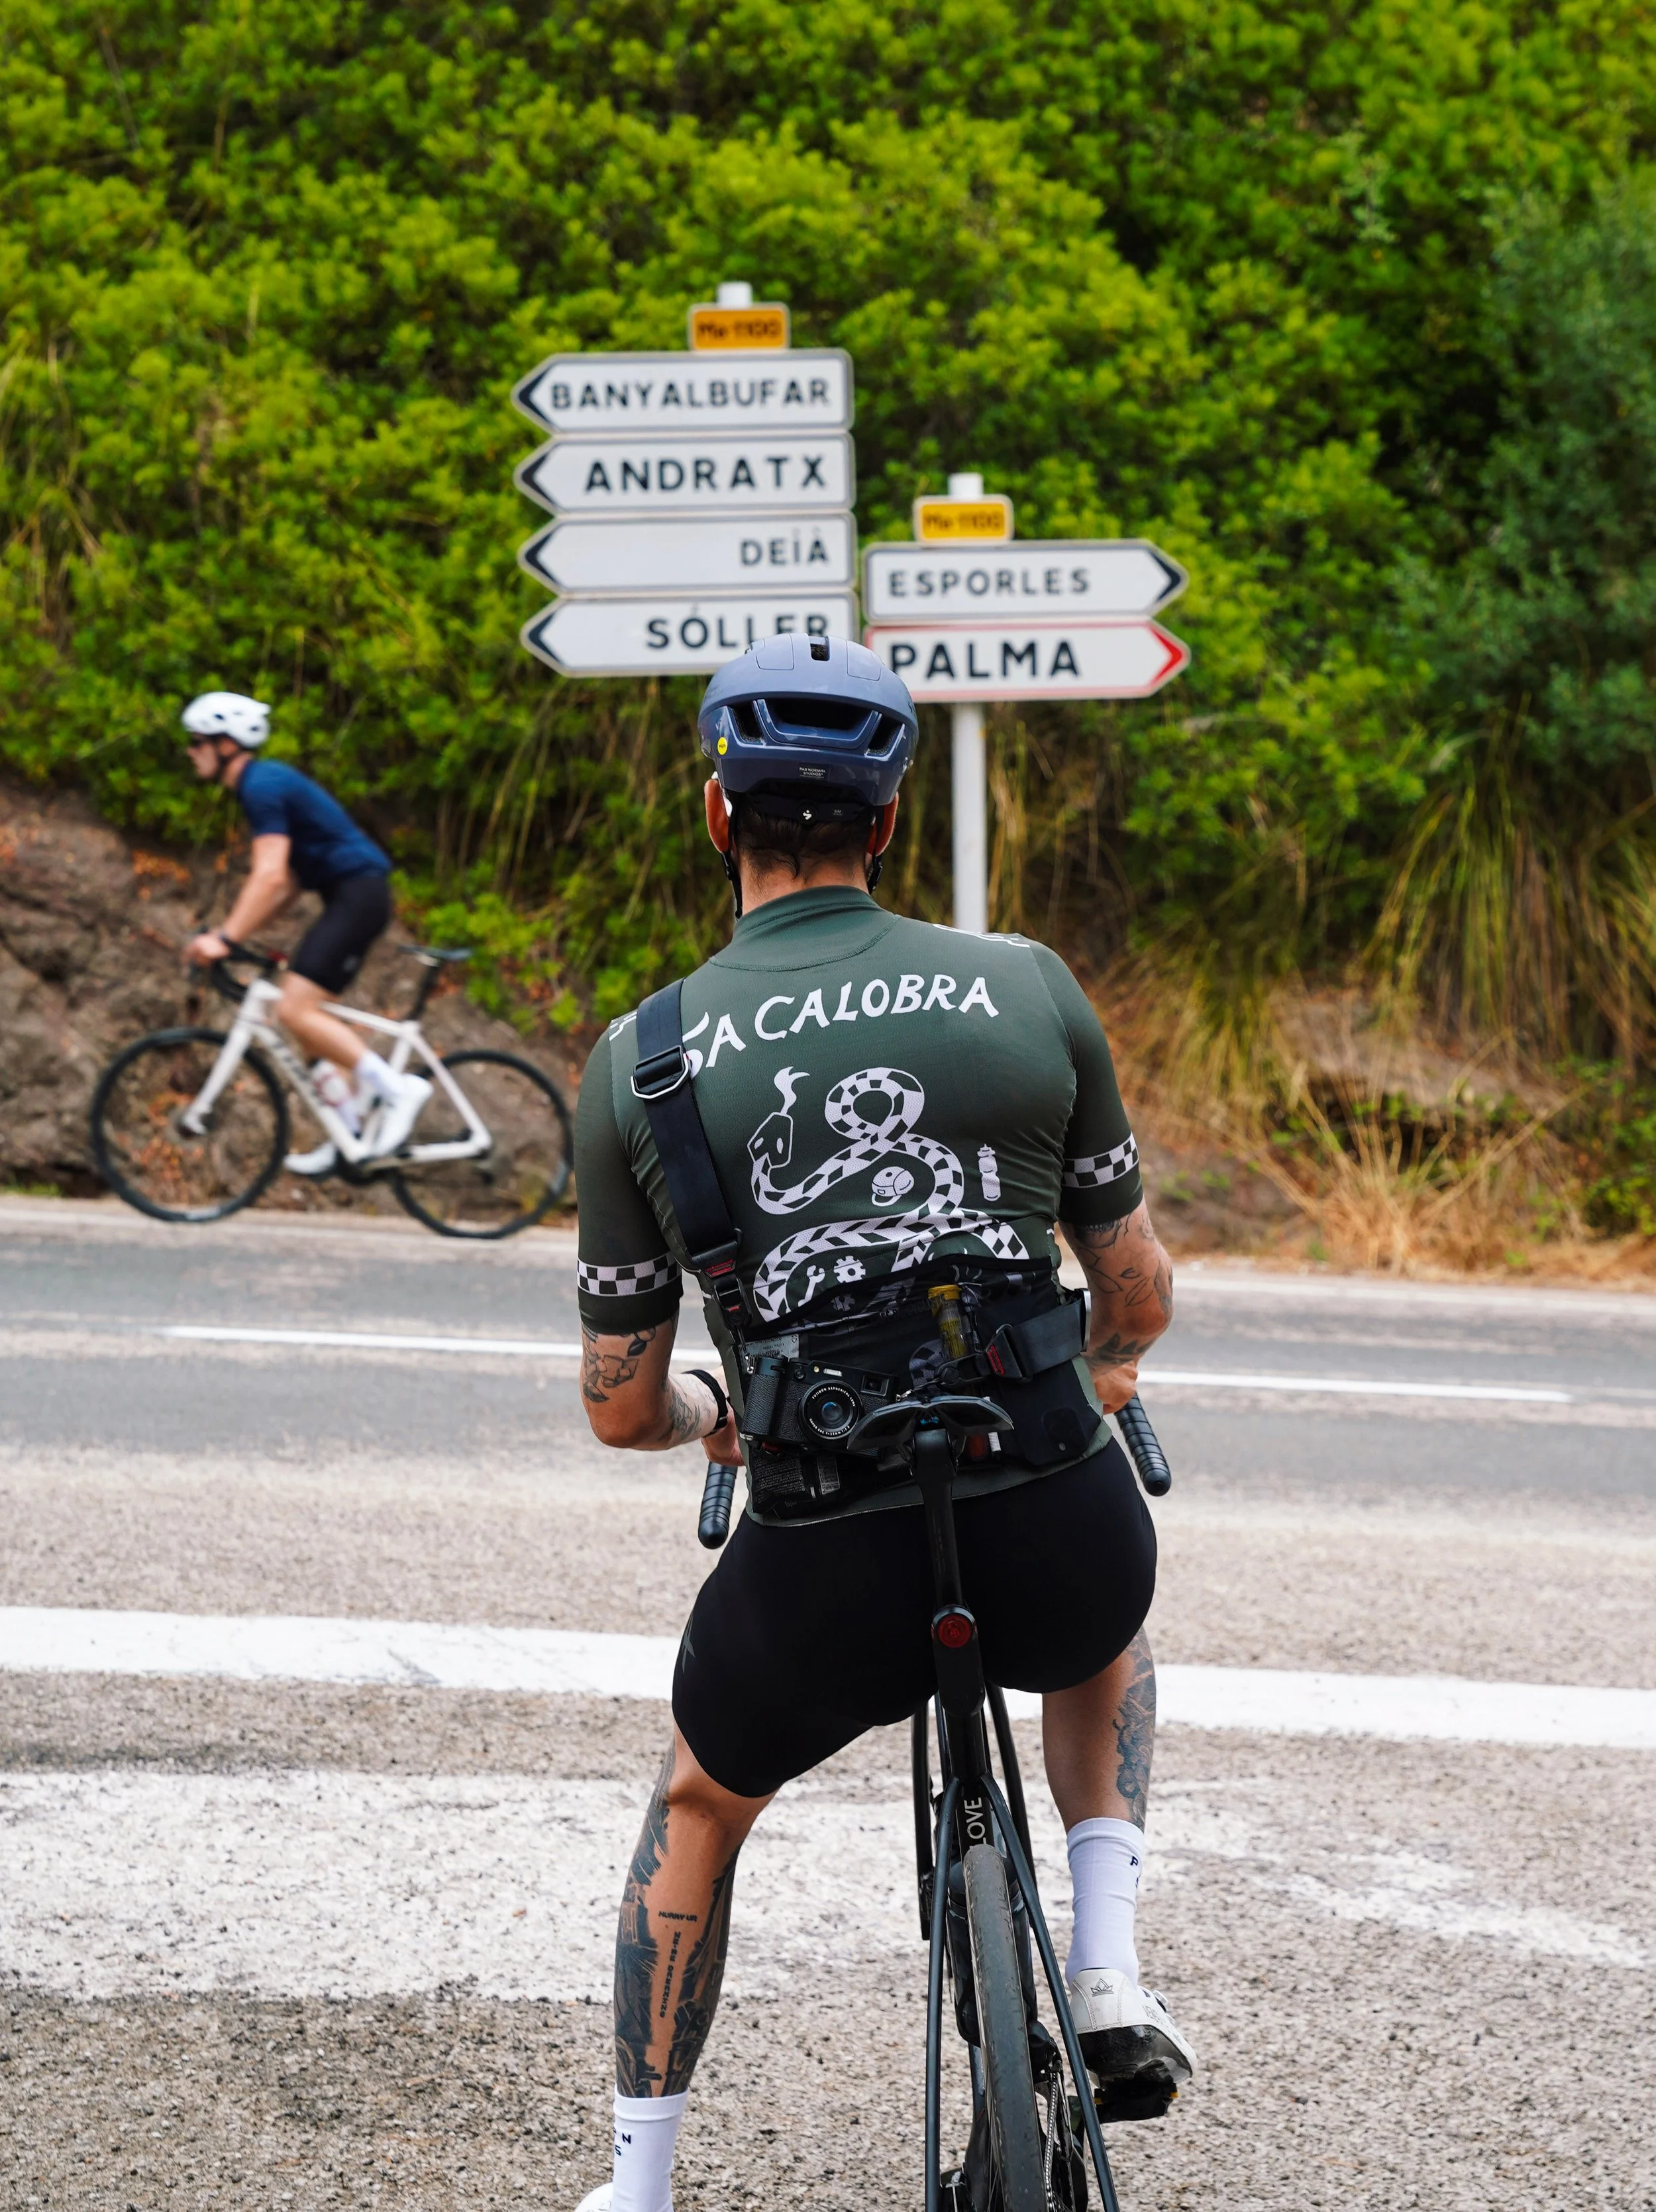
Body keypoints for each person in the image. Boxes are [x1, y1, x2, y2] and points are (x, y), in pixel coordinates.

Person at [571, 635, 1193, 2212]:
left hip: (818, 1555)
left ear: (718, 817)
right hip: (1044, 1513)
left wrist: (706, 1415)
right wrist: (1103, 1384)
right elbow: (1133, 1293)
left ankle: (638, 2189)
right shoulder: (1025, 985)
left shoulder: (639, 1065)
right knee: (1103, 1614)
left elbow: (621, 1402)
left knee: (701, 1806)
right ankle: (1110, 1966)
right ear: (891, 826)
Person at [180, 692, 430, 1171]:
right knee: (306, 1021)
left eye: (196, 742)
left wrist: (226, 939)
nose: (190, 752)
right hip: (350, 895)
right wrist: (238, 934)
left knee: (296, 1007)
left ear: (226, 743)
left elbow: (270, 874)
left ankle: (398, 1091)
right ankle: (351, 1133)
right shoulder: (264, 784)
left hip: (359, 895)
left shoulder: (261, 785)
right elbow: (288, 884)